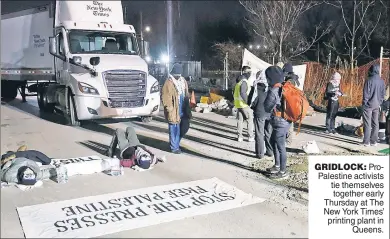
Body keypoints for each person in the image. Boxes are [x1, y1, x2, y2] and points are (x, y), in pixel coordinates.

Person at [264, 66, 291, 179]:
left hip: (279, 121)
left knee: (280, 146)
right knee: (274, 142)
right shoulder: (284, 87)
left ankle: (283, 172)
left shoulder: (273, 90)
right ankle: (277, 165)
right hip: (285, 120)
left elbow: (267, 107)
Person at [162, 63, 191, 153]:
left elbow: (186, 94)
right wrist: (169, 110)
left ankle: (175, 142)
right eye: (176, 75)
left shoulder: (183, 81)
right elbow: (166, 98)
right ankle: (174, 148)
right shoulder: (168, 83)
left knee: (185, 127)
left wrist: (188, 108)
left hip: (183, 109)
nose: (178, 77)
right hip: (174, 110)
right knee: (174, 129)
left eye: (179, 75)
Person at [362, 64, 386, 146]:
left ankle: (366, 142)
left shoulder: (369, 80)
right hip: (377, 104)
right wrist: (380, 102)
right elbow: (383, 94)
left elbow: (366, 93)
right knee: (376, 123)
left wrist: (365, 103)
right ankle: (374, 141)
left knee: (367, 123)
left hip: (368, 105)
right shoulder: (382, 81)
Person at [251, 70, 273, 159]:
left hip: (259, 112)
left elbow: (252, 100)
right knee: (269, 133)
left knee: (259, 133)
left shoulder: (256, 86)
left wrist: (253, 107)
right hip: (270, 112)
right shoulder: (271, 85)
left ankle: (260, 154)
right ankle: (270, 151)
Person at [234, 66, 254, 142]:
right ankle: (250, 136)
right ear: (247, 73)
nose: (250, 74)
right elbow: (243, 93)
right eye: (250, 72)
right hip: (244, 105)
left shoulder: (238, 82)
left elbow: (234, 93)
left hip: (238, 104)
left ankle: (240, 136)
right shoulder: (244, 82)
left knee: (240, 121)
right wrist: (248, 102)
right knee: (250, 120)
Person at [282, 63, 300, 144]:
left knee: (288, 121)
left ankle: (288, 141)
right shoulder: (295, 79)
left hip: (289, 102)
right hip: (295, 102)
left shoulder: (290, 80)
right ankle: (288, 140)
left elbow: (287, 92)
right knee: (290, 121)